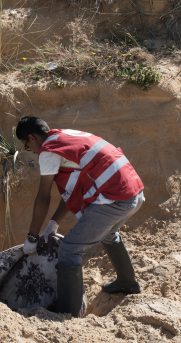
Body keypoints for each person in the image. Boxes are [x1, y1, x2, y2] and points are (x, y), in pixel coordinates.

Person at [16, 117, 145, 315]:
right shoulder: (65, 136)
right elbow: (73, 189)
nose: (31, 151)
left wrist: (32, 237)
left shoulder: (48, 152)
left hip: (115, 198)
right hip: (133, 191)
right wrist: (53, 224)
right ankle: (127, 282)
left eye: (26, 146)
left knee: (69, 249)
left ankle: (68, 313)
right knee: (109, 233)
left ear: (32, 138)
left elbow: (43, 196)